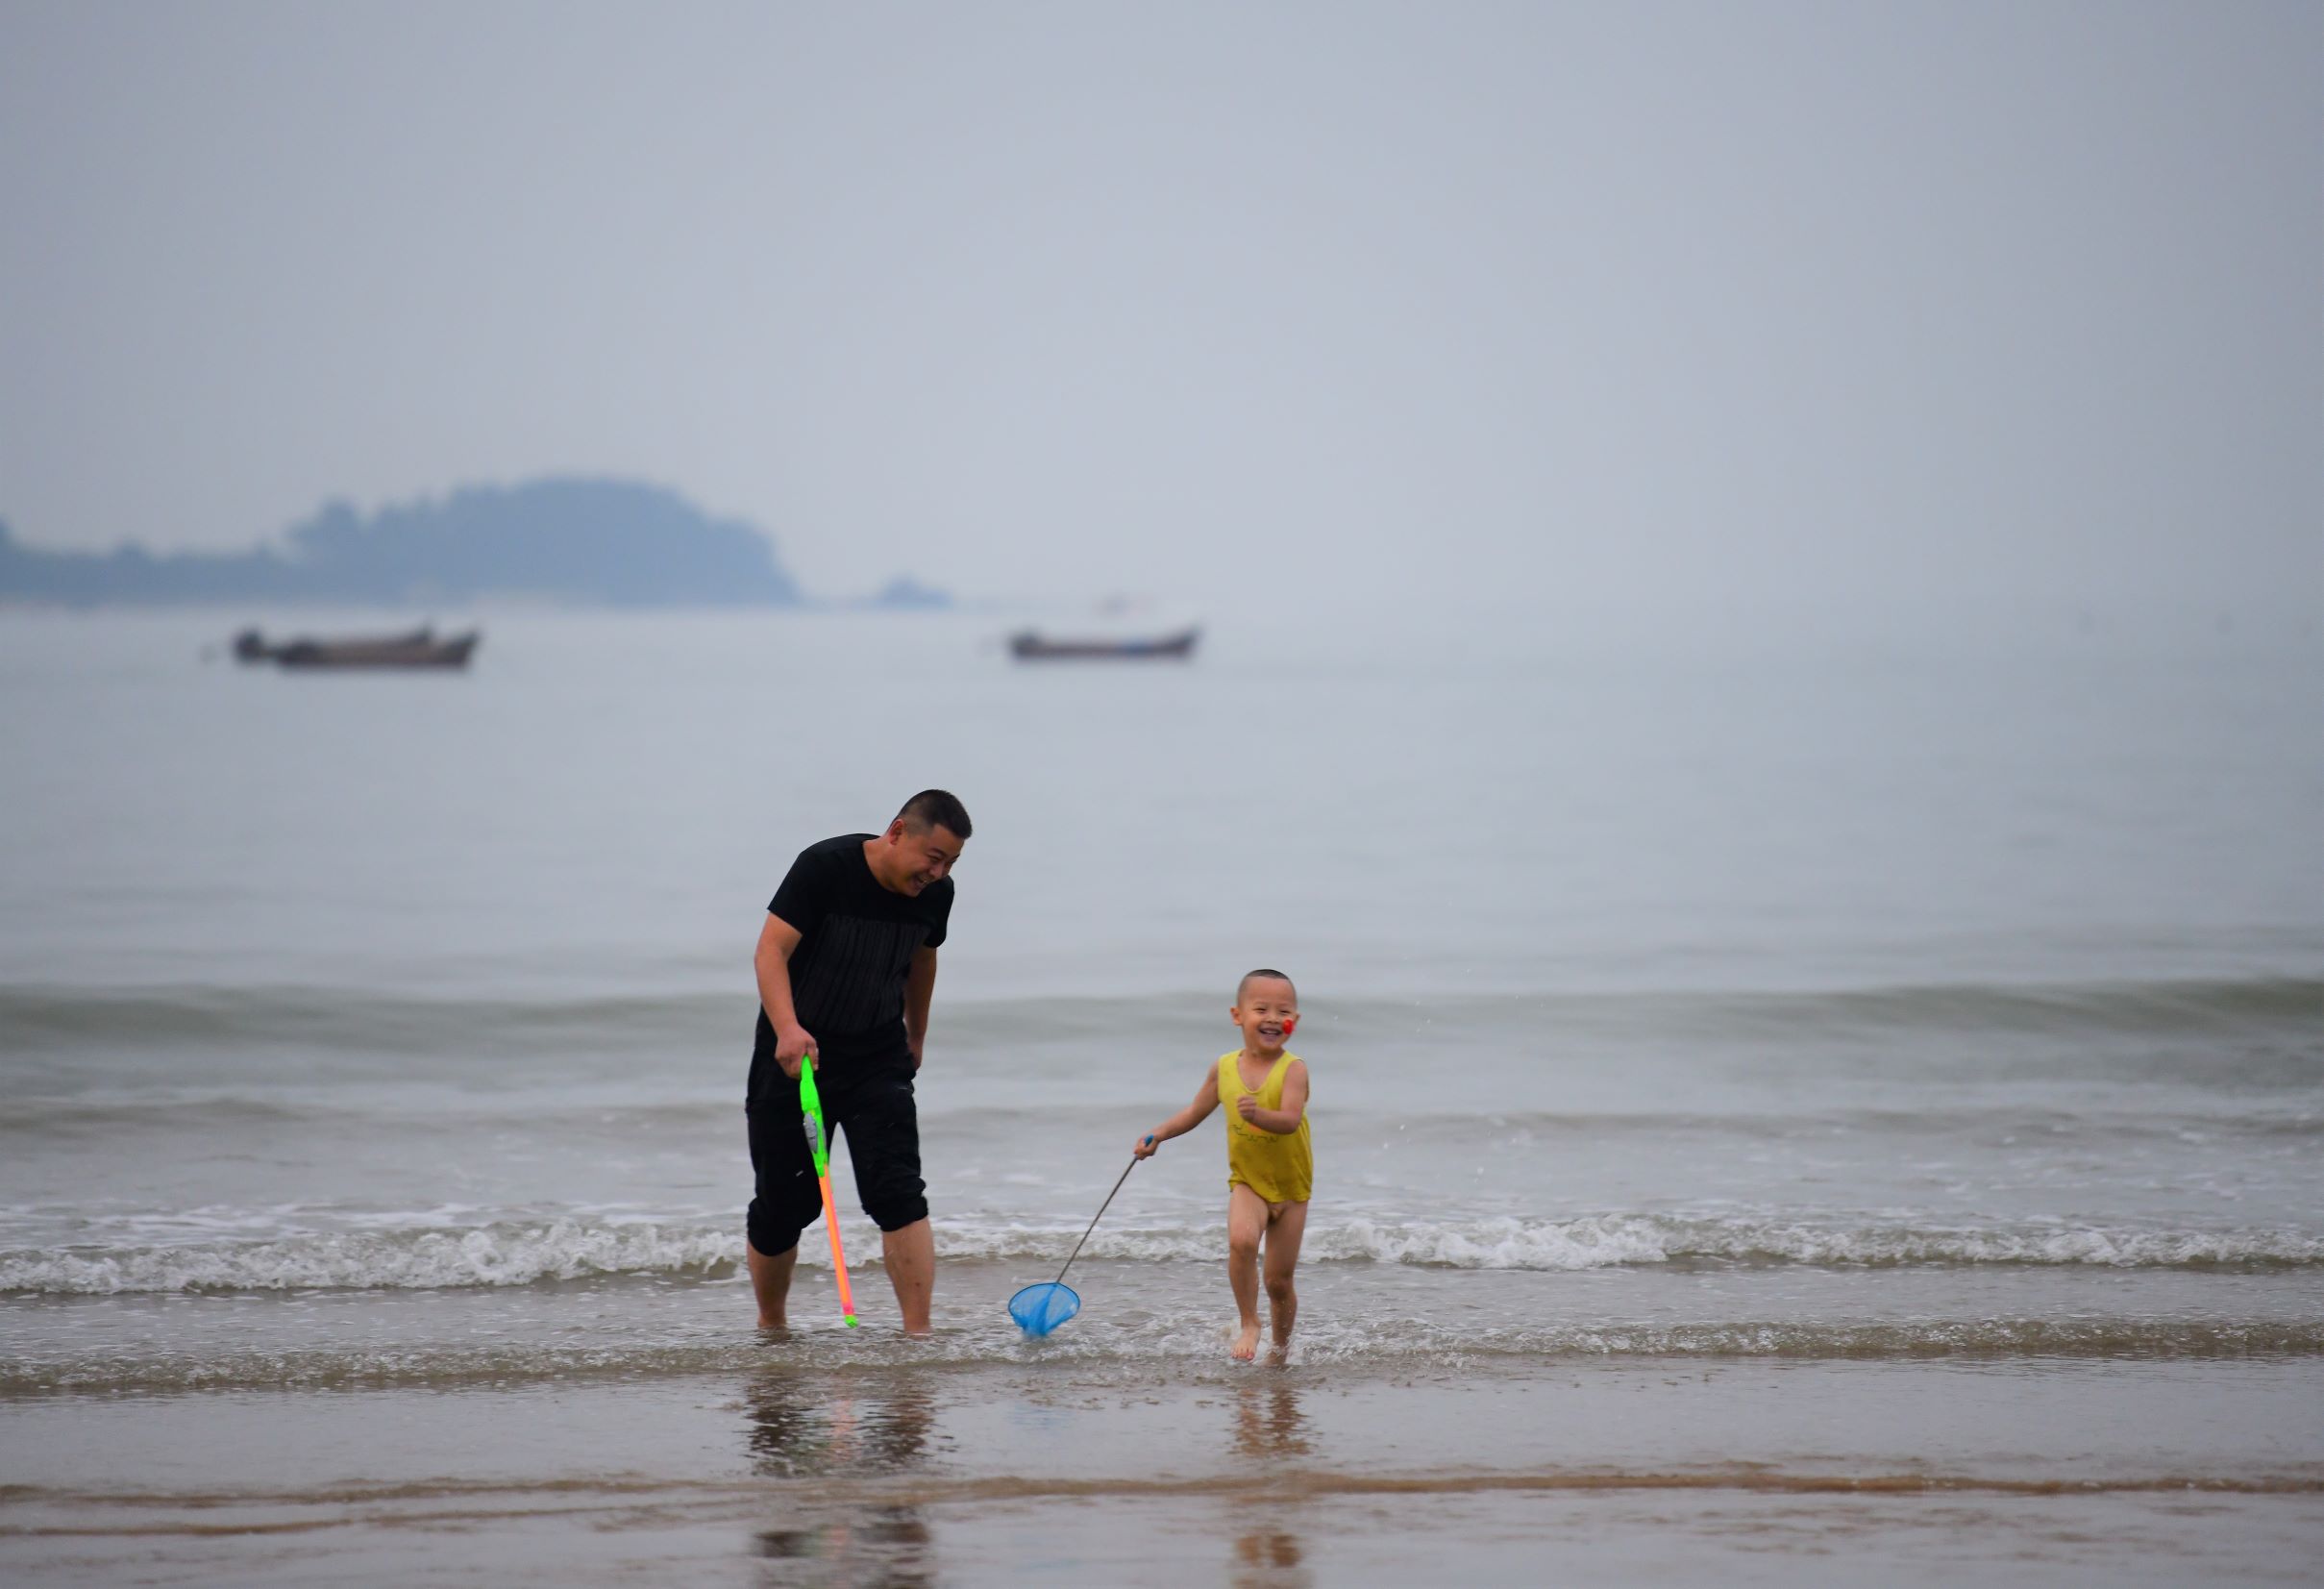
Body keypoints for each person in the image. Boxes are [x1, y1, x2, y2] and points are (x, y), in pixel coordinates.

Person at [746, 790, 971, 1334]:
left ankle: (918, 1337)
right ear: (896, 832)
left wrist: (917, 1034)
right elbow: (771, 950)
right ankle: (772, 1328)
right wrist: (788, 1029)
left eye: (950, 863)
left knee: (898, 1192)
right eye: (933, 858)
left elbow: (923, 960)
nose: (938, 874)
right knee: (785, 1205)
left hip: (878, 1055)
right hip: (797, 1056)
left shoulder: (935, 895)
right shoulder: (825, 867)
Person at [1134, 969, 1312, 1360]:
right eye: (1261, 1009)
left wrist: (1257, 1115)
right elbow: (1194, 1112)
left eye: (1283, 1011)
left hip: (1292, 1191)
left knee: (1279, 1282)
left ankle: (1281, 1351)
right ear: (1237, 1015)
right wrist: (1158, 1134)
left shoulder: (1293, 1069)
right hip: (1248, 1182)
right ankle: (1250, 1323)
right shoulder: (1225, 1068)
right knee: (1241, 1241)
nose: (1272, 1018)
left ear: (1294, 1021)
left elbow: (1289, 1120)